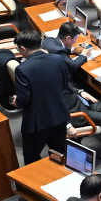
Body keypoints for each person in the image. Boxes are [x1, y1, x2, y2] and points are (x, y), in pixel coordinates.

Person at [43, 23, 101, 145]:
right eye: (74, 40)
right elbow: (72, 66)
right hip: (78, 114)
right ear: (68, 38)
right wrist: (68, 125)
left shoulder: (49, 50)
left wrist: (80, 91)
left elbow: (66, 84)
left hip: (78, 101)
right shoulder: (51, 82)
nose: (75, 42)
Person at [13, 28, 77, 164]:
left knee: (31, 157)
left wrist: (16, 102)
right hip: (59, 116)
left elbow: (24, 99)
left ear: (23, 48)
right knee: (60, 154)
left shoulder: (22, 69)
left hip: (37, 122)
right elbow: (65, 84)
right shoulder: (58, 59)